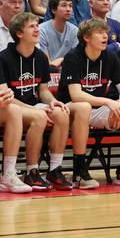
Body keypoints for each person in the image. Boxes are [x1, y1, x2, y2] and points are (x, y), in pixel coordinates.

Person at [58, 18, 120, 186]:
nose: (105, 36)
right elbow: (76, 95)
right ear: (87, 38)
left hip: (96, 110)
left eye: (106, 33)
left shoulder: (110, 57)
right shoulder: (73, 57)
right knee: (83, 107)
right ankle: (79, 171)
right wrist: (108, 102)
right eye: (100, 33)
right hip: (70, 111)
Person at [0, 13, 73, 190]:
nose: (37, 29)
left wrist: (53, 101)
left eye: (37, 26)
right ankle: (31, 172)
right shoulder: (3, 58)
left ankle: (54, 169)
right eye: (31, 26)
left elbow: (43, 91)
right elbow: (5, 97)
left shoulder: (40, 57)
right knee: (39, 117)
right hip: (11, 107)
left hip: (31, 106)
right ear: (19, 33)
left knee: (61, 113)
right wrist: (35, 111)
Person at [37, 0, 79, 69]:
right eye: (64, 5)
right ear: (53, 10)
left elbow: (75, 59)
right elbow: (46, 63)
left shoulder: (74, 30)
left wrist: (62, 60)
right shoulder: (41, 30)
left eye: (70, 6)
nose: (68, 9)